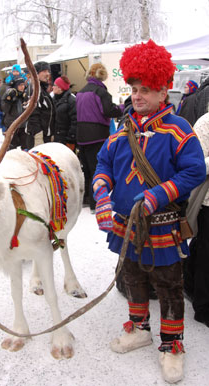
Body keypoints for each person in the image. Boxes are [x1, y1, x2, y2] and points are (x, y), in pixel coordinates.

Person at [92, 39, 206, 384]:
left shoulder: (178, 129)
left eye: (145, 90)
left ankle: (172, 345)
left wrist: (156, 195)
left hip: (163, 224)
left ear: (162, 92)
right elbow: (102, 166)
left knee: (169, 285)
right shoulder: (121, 131)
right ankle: (139, 328)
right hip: (126, 225)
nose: (137, 96)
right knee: (132, 277)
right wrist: (101, 197)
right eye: (134, 89)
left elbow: (195, 171)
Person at [76, 63, 123, 212]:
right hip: (97, 134)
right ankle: (96, 203)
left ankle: (88, 200)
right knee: (98, 169)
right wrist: (122, 108)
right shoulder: (100, 92)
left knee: (87, 170)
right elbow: (109, 111)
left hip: (81, 135)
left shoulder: (80, 92)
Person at [183, 111, 209, 327]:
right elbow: (195, 165)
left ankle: (188, 282)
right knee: (206, 255)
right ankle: (203, 307)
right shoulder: (205, 123)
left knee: (201, 248)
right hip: (207, 202)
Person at [25, 61, 55, 149]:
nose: (47, 74)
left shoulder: (42, 89)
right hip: (38, 137)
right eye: (44, 71)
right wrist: (38, 136)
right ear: (36, 73)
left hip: (46, 136)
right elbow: (32, 114)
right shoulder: (34, 89)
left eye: (48, 71)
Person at [1, 77, 28, 150]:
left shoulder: (24, 95)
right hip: (12, 124)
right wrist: (9, 100)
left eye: (23, 85)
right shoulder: (11, 94)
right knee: (12, 146)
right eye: (20, 85)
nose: (22, 87)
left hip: (23, 125)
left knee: (25, 145)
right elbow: (5, 109)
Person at [52, 75, 77, 151]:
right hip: (56, 138)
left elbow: (75, 121)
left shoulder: (71, 101)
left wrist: (70, 139)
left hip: (66, 140)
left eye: (54, 85)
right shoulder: (53, 99)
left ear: (60, 88)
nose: (52, 87)